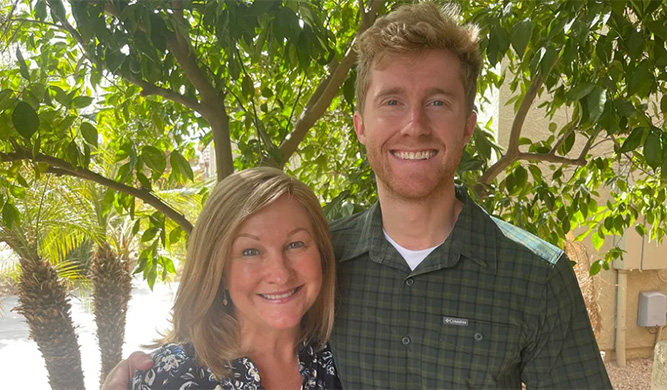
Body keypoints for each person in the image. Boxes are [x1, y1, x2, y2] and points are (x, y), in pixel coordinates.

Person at [105, 2, 611, 389]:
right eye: (392, 101)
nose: (415, 126)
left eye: (438, 101)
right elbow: (236, 322)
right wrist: (147, 371)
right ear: (360, 126)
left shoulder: (536, 279)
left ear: (468, 127)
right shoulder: (320, 259)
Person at [128, 167, 340, 389]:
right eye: (250, 251)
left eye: (295, 244)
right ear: (218, 270)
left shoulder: (343, 359)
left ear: (322, 254)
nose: (280, 274)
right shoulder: (168, 376)